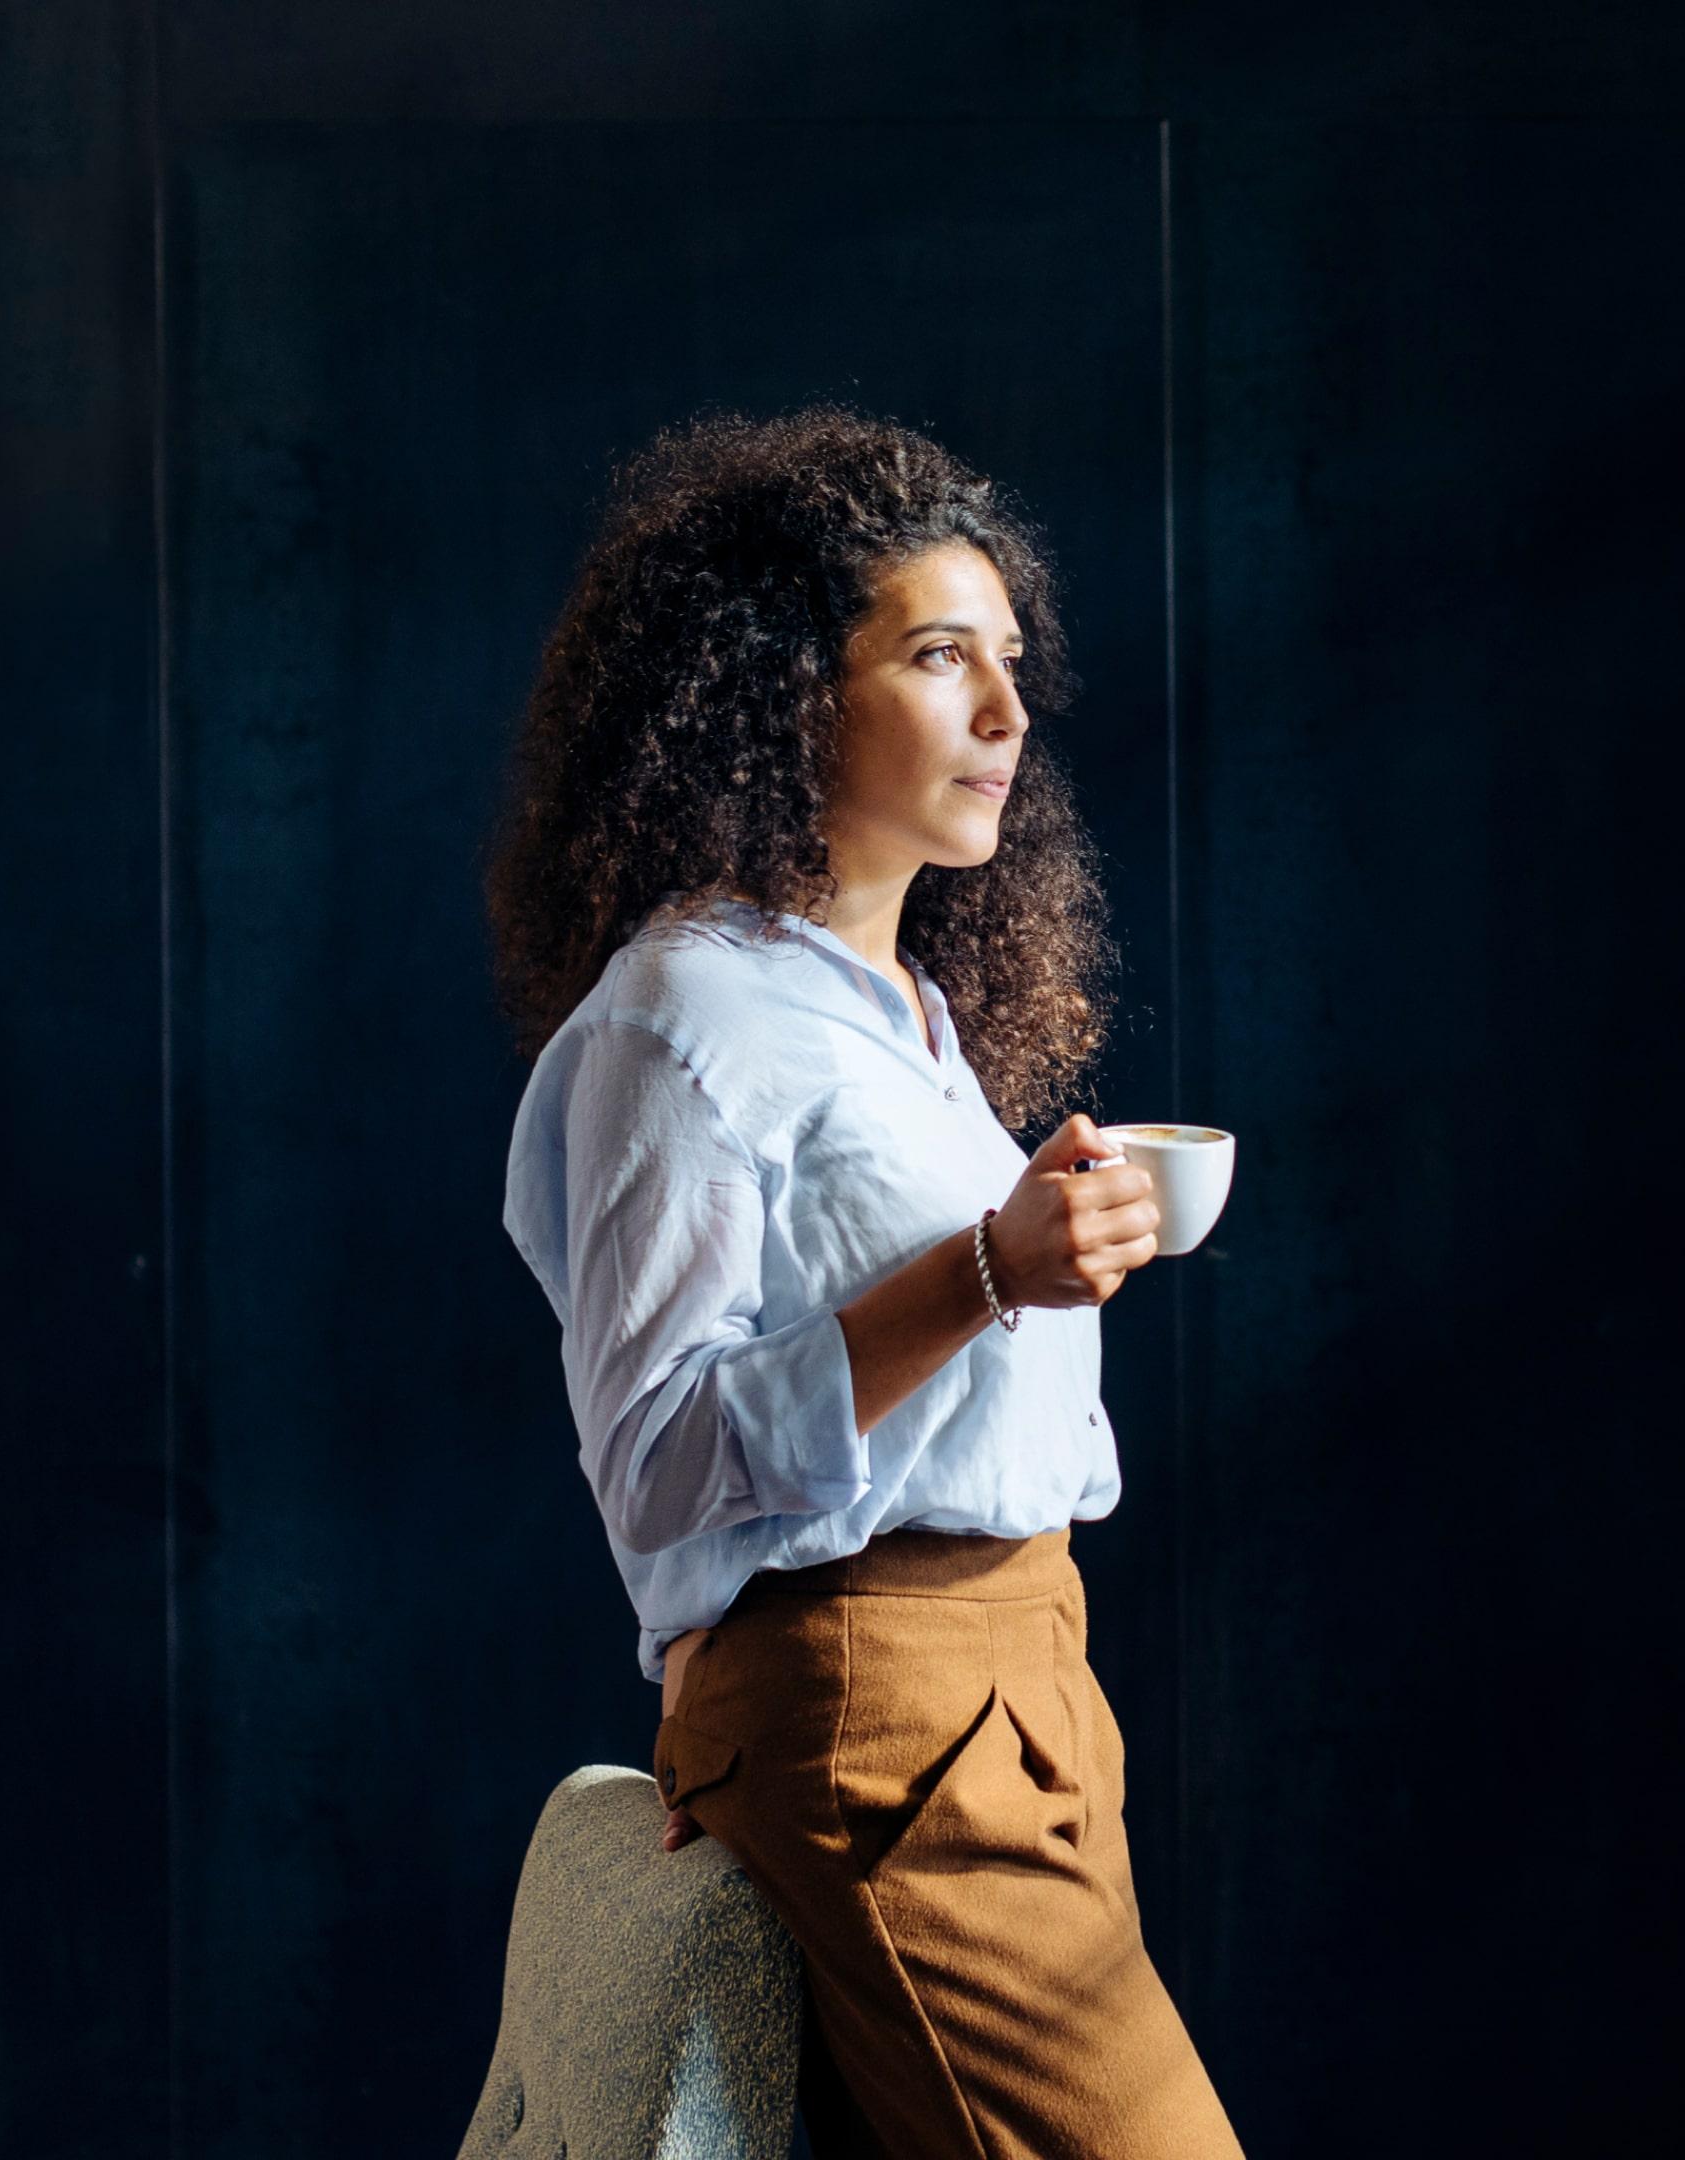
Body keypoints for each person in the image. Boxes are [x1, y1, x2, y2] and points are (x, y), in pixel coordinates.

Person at [483, 404, 1243, 2160]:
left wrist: (1030, 1263)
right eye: (939, 656)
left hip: (1025, 1692)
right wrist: (988, 1269)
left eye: (1011, 661)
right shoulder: (681, 1021)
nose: (1008, 712)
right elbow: (657, 1462)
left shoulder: (902, 1019)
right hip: (888, 1714)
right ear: (784, 693)